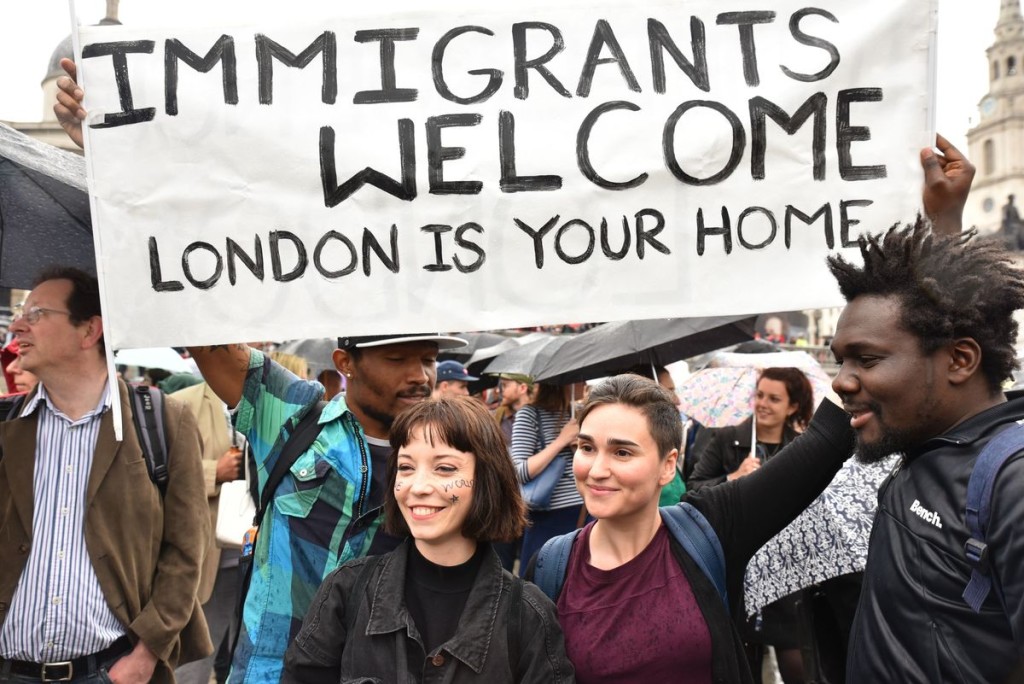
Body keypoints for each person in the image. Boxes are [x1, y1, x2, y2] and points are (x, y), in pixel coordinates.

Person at [539, 374, 854, 683]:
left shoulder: (708, 527)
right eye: (587, 447)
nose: (596, 470)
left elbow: (823, 443)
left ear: (667, 464)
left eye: (622, 452)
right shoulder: (552, 565)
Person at [187, 332, 465, 683]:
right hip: (272, 672)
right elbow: (200, 331)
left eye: (428, 360)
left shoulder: (455, 456)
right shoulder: (294, 414)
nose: (421, 376)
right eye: (398, 360)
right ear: (345, 363)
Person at [829, 220, 1024, 682]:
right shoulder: (924, 441)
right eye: (840, 359)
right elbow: (941, 309)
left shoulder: (1013, 484)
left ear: (960, 360)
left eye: (866, 359)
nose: (840, 381)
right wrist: (944, 221)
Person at [0, 267, 211, 684]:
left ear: (90, 330)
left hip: (107, 671)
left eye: (37, 313)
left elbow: (185, 552)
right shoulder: (8, 424)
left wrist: (146, 655)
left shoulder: (163, 422)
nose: (18, 326)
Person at [282, 396, 574, 683]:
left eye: (445, 468)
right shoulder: (346, 591)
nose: (418, 486)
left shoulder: (527, 615)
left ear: (487, 479)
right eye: (406, 467)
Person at [687, 368, 815, 683]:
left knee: (796, 661)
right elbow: (694, 489)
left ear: (793, 406)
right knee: (745, 663)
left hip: (787, 570)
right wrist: (733, 479)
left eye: (774, 398)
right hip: (739, 566)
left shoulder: (804, 447)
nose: (763, 404)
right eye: (759, 395)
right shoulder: (726, 438)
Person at [170, 381, 246, 684]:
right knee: (198, 651)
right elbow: (159, 472)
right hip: (209, 555)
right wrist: (215, 470)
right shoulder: (181, 402)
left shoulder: (268, 401)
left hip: (255, 553)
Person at [511, 381, 587, 577]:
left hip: (584, 511)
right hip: (548, 517)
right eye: (579, 378)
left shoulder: (580, 412)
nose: (585, 382)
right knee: (545, 583)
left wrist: (581, 448)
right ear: (563, 381)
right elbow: (517, 472)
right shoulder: (530, 414)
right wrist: (561, 441)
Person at [494, 372, 533, 444]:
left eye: (504, 385)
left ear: (522, 388)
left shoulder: (538, 417)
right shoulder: (497, 417)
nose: (498, 390)